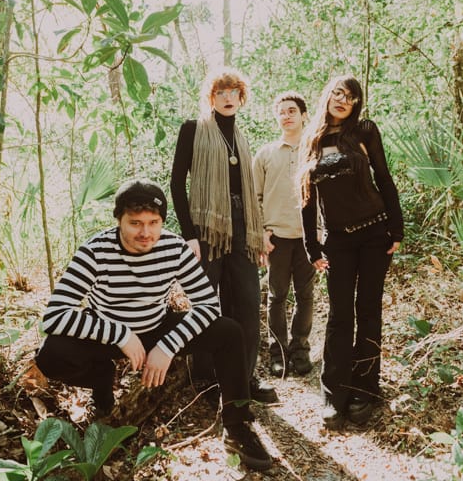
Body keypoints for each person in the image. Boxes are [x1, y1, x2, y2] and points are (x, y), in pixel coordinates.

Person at [35, 179, 272, 471]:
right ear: (119, 220)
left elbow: (208, 305)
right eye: (135, 223)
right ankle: (101, 381)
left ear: (162, 221)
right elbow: (54, 315)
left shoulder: (173, 247)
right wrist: (120, 334)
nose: (145, 233)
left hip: (157, 327)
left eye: (153, 222)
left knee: (229, 332)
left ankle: (237, 426)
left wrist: (168, 346)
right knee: (50, 353)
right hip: (109, 333)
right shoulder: (95, 251)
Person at [298, 75, 403, 429]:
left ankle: (365, 389)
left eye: (352, 97)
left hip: (375, 234)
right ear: (328, 96)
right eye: (339, 93)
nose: (344, 100)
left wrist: (396, 227)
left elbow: (383, 177)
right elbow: (307, 197)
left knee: (368, 310)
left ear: (357, 104)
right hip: (338, 241)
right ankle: (334, 393)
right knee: (340, 315)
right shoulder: (312, 139)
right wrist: (311, 244)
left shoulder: (364, 131)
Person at [170, 69, 278, 404]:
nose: (228, 98)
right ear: (211, 97)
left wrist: (257, 234)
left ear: (241, 98)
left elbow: (248, 191)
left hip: (242, 225)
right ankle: (205, 378)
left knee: (246, 302)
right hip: (207, 227)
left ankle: (243, 377)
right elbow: (176, 183)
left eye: (234, 92)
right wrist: (189, 235)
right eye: (221, 92)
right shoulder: (193, 129)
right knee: (205, 303)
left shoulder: (241, 137)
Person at [253, 91, 316, 378]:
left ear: (304, 115)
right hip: (276, 236)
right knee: (277, 296)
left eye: (292, 110)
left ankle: (300, 350)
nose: (286, 116)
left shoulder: (315, 151)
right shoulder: (265, 154)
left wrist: (321, 234)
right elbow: (254, 197)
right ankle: (277, 353)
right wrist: (261, 233)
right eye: (281, 111)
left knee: (305, 295)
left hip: (308, 237)